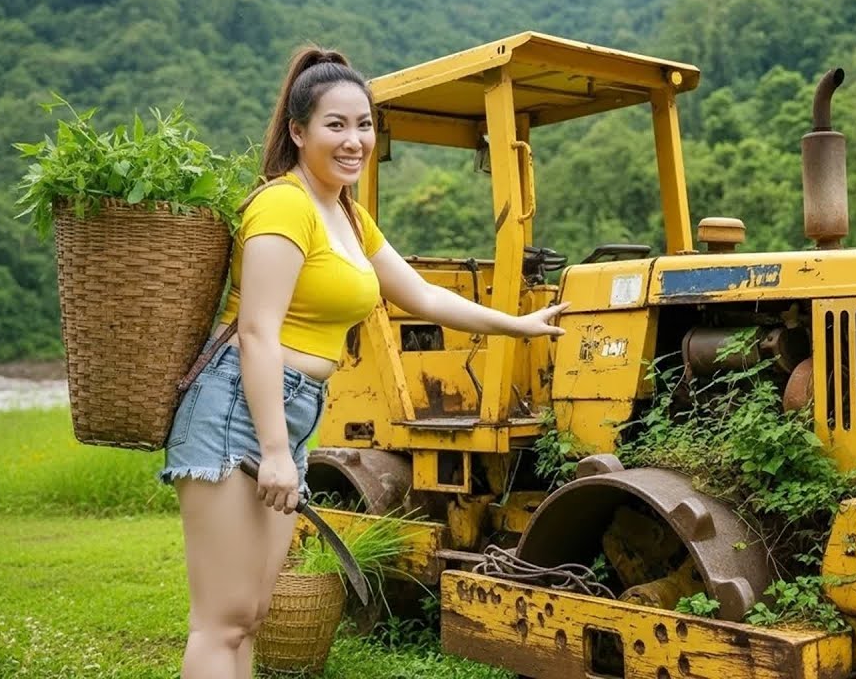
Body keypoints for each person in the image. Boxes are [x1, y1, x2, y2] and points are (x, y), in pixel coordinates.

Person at [159, 46, 567, 679]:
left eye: (365, 125)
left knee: (252, 614)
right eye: (336, 125)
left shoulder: (346, 213)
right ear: (298, 132)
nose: (354, 141)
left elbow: (423, 295)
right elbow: (259, 334)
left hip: (288, 413)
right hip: (241, 407)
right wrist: (273, 449)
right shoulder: (284, 206)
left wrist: (519, 324)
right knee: (222, 619)